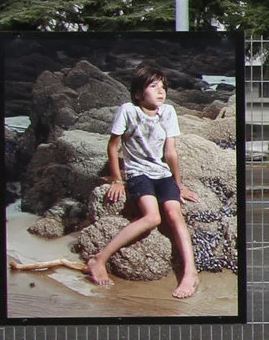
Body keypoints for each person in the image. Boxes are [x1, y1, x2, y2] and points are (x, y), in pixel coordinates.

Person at [84, 64, 202, 299]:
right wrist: (118, 179)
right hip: (139, 173)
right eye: (153, 86)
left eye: (163, 86)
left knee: (174, 214)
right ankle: (99, 259)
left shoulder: (167, 112)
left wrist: (178, 184)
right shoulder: (128, 110)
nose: (161, 91)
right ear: (138, 93)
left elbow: (170, 152)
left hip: (162, 174)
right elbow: (113, 146)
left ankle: (191, 272)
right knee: (153, 217)